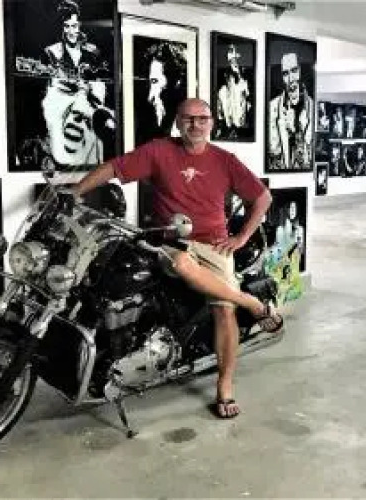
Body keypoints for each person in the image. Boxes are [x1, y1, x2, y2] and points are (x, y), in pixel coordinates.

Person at [72, 98, 283, 419]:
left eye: (202, 118)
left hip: (214, 245)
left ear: (211, 123)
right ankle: (248, 302)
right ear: (177, 121)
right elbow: (114, 167)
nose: (195, 124)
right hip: (169, 241)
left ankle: (225, 385)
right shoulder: (159, 151)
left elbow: (263, 197)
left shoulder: (225, 160)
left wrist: (241, 238)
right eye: (188, 118)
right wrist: (74, 193)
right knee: (164, 267)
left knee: (224, 311)